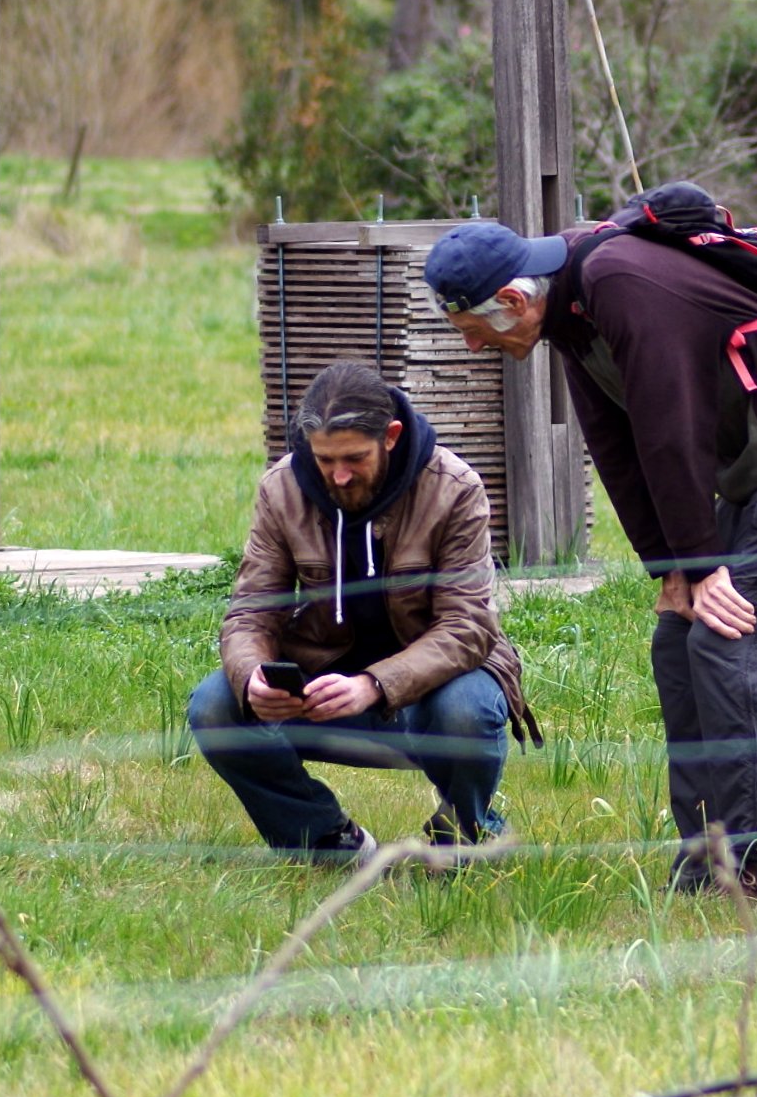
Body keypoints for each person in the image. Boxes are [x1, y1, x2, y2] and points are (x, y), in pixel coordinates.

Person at [421, 189, 757, 898]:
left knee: (726, 648)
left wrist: (701, 566)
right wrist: (669, 569)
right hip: (755, 470)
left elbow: (672, 430)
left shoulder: (618, 283)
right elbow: (616, 442)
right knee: (677, 643)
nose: (472, 344)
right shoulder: (569, 305)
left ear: (513, 299)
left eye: (472, 327)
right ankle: (704, 862)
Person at [188, 360, 533, 864]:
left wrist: (373, 684)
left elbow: (467, 628)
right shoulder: (281, 490)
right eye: (325, 459)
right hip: (323, 685)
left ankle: (464, 833)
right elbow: (250, 614)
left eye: (353, 457)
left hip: (433, 691)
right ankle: (326, 839)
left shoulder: (455, 487)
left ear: (390, 437)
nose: (339, 474)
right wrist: (252, 678)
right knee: (215, 704)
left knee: (467, 709)